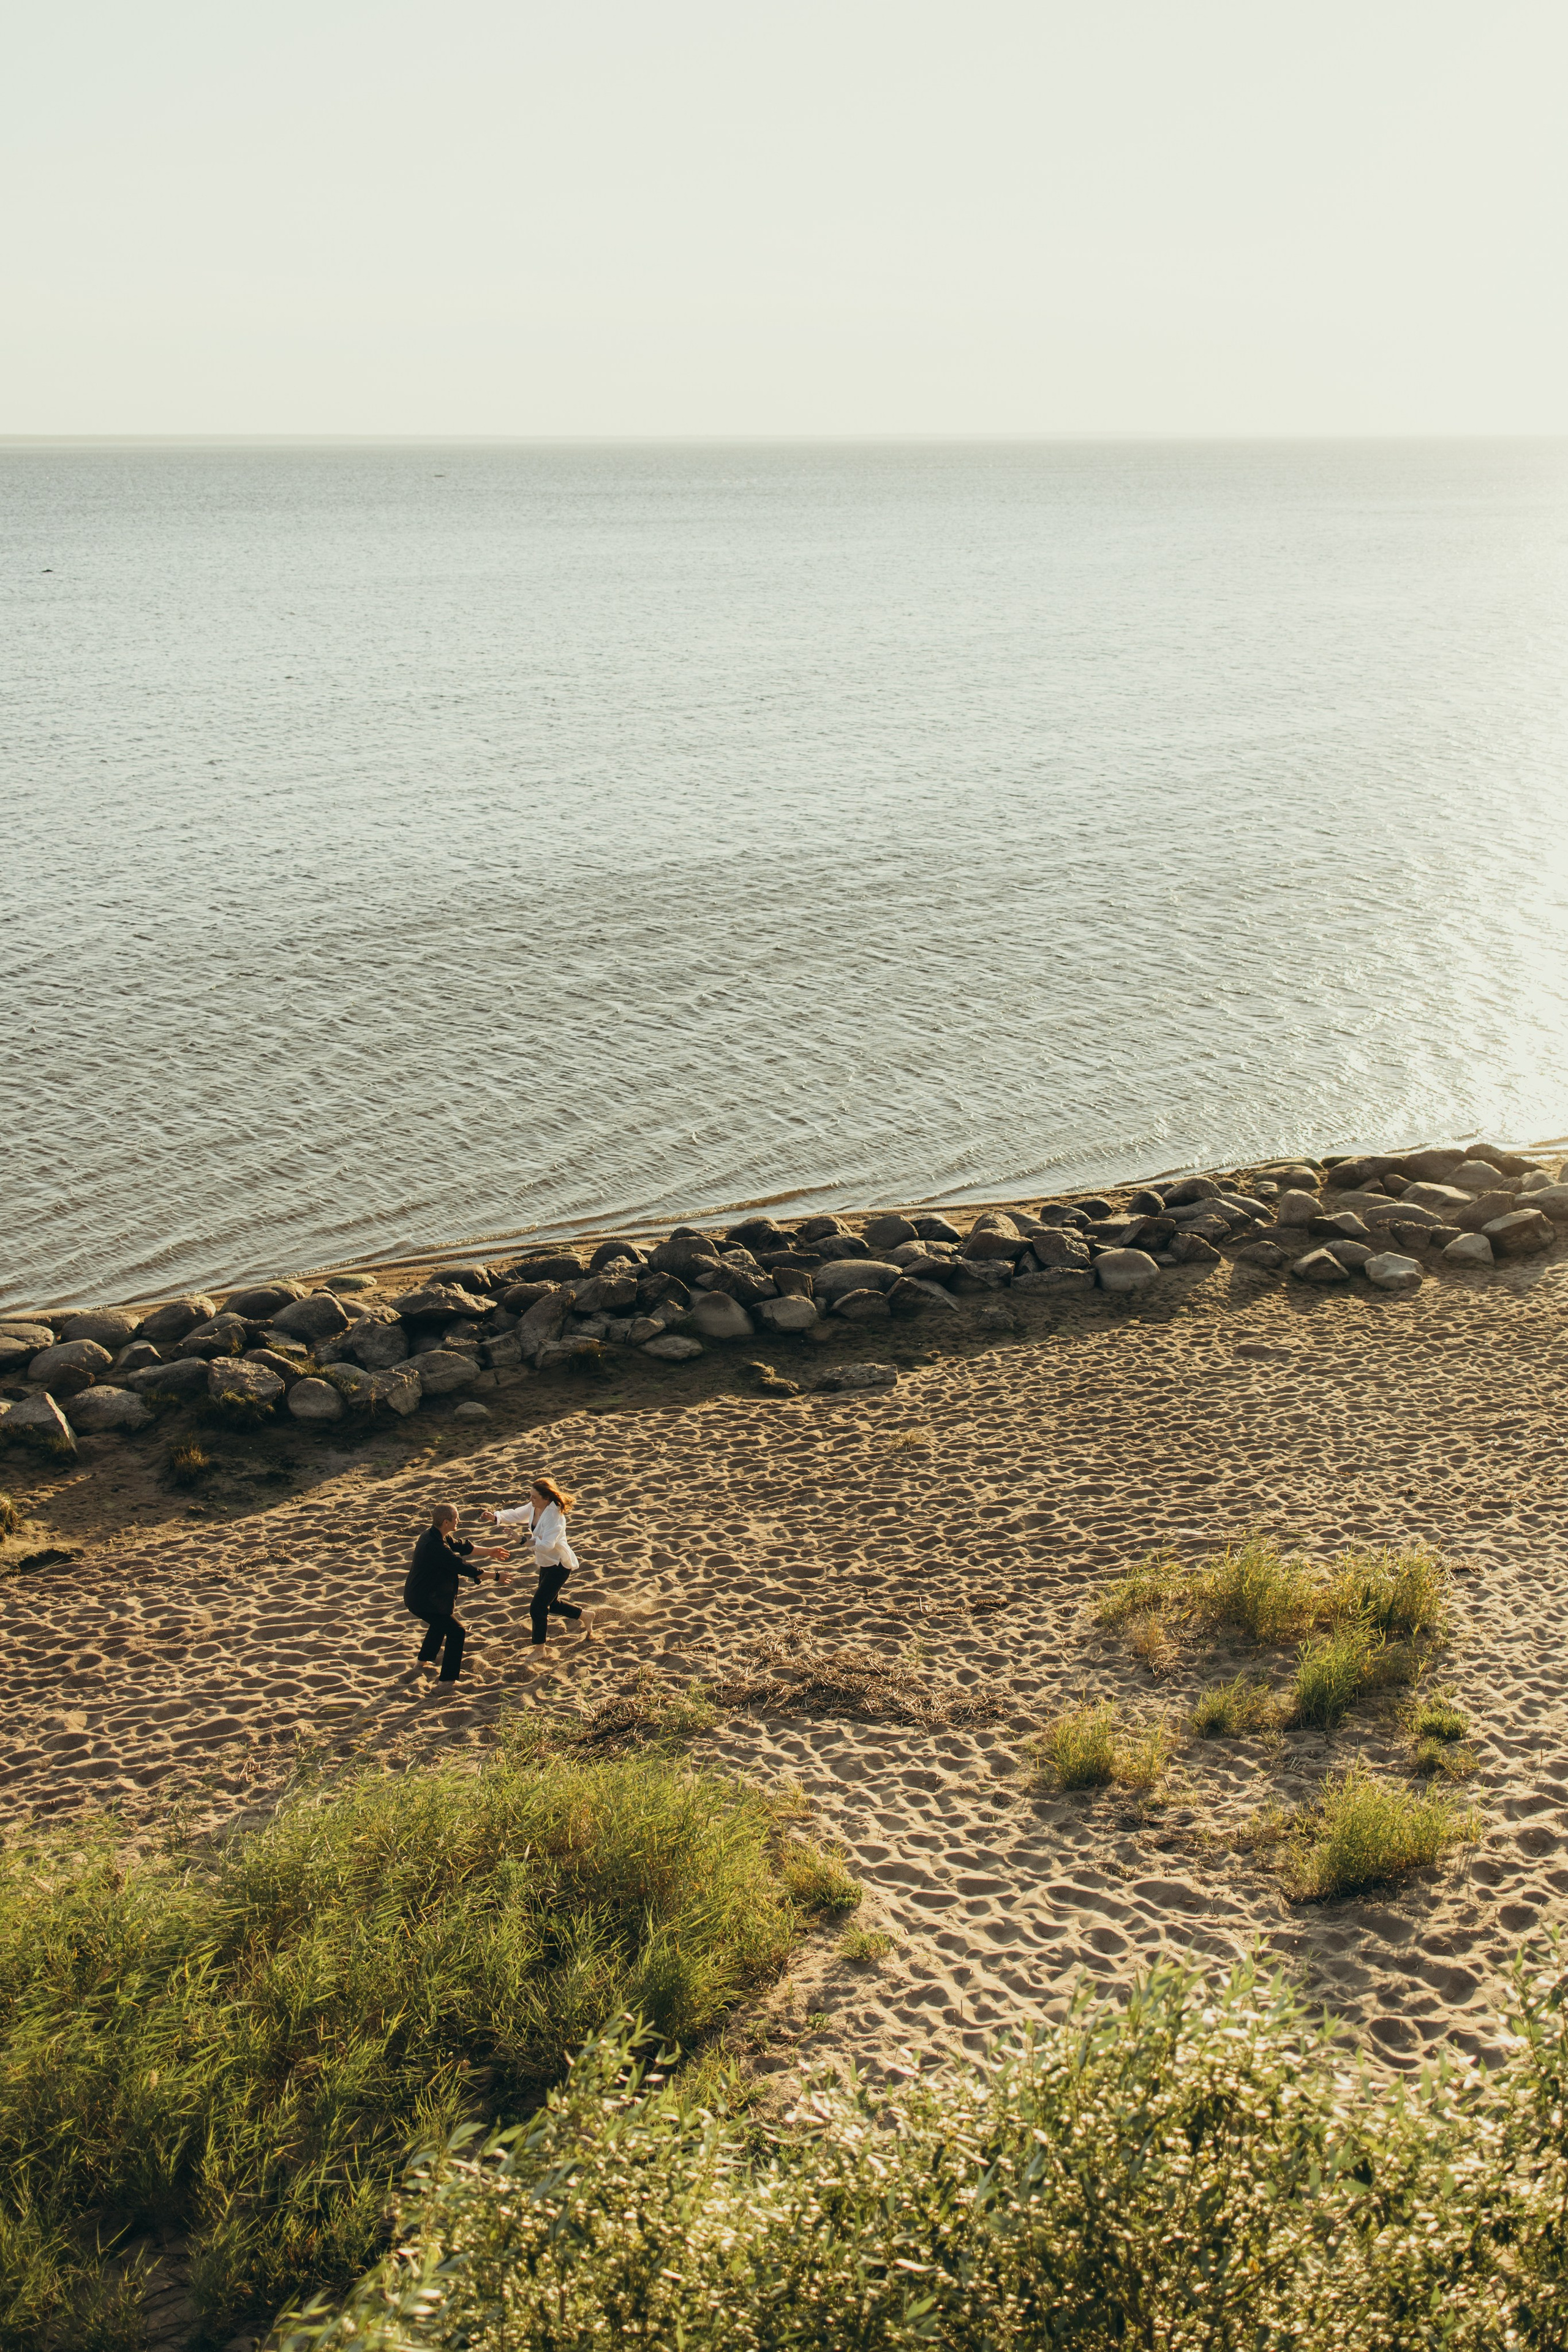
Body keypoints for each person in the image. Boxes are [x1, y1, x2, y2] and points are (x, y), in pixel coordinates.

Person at [404, 1503, 508, 1689]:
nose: (458, 1521)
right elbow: (463, 1567)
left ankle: (422, 1663)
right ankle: (447, 1681)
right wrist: (496, 1576)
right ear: (446, 1522)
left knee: (441, 1623)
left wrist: (489, 1552)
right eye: (456, 1518)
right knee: (456, 1631)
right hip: (424, 1601)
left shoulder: (435, 1534)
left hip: (422, 1596)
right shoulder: (435, 1546)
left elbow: (462, 1546)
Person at [486, 1478, 586, 1646]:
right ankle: (585, 1616)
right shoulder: (535, 1507)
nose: (531, 1500)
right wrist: (496, 1516)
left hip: (559, 1565)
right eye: (530, 1496)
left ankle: (540, 1649)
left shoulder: (555, 1516)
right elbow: (517, 1514)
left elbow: (547, 1545)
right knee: (552, 1605)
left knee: (537, 1608)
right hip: (546, 1563)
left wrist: (522, 1540)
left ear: (546, 1498)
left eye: (534, 1497)